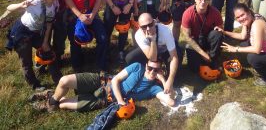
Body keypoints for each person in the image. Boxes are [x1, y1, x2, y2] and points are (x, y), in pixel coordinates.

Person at [35, 60, 175, 112]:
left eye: (156, 70)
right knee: (64, 81)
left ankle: (52, 98)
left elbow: (171, 101)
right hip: (102, 81)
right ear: (146, 65)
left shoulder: (154, 89)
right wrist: (120, 101)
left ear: (160, 71)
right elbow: (115, 81)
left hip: (104, 99)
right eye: (150, 68)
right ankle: (51, 101)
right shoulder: (137, 67)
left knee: (63, 104)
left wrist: (163, 80)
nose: (151, 71)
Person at [5, 0, 62, 90]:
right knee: (26, 61)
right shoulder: (36, 1)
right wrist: (21, 5)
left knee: (49, 53)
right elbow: (9, 8)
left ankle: (58, 79)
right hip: (21, 32)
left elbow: (49, 25)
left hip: (35, 33)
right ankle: (34, 85)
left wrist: (45, 42)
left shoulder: (55, 4)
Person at [126, 13, 181, 93]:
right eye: (144, 27)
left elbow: (174, 57)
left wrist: (170, 80)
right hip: (151, 52)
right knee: (130, 58)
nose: (148, 28)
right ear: (140, 27)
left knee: (178, 59)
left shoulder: (165, 31)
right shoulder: (138, 35)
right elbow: (152, 58)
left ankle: (164, 71)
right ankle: (143, 72)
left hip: (166, 51)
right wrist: (153, 40)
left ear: (155, 22)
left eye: (150, 24)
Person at [181, 0, 224, 72]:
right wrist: (203, 54)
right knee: (194, 69)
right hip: (194, 40)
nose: (203, 2)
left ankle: (212, 59)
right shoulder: (187, 14)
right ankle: (203, 57)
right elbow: (187, 38)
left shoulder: (215, 12)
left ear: (209, 1)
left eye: (206, 0)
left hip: (208, 39)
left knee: (218, 34)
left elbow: (221, 29)